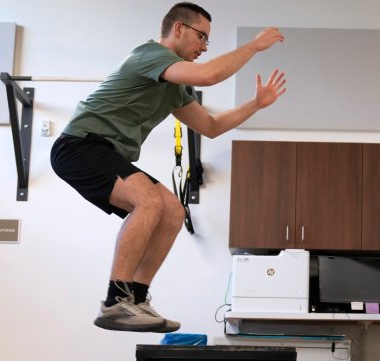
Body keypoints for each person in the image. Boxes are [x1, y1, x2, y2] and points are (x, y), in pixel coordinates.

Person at [51, 3, 287, 333]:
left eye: (208, 41)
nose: (204, 47)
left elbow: (211, 126)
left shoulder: (175, 86)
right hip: (79, 145)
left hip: (104, 152)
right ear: (178, 29)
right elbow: (210, 75)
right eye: (201, 37)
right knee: (148, 201)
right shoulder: (149, 55)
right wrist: (253, 45)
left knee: (173, 210)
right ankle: (115, 301)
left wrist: (256, 105)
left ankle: (135, 299)